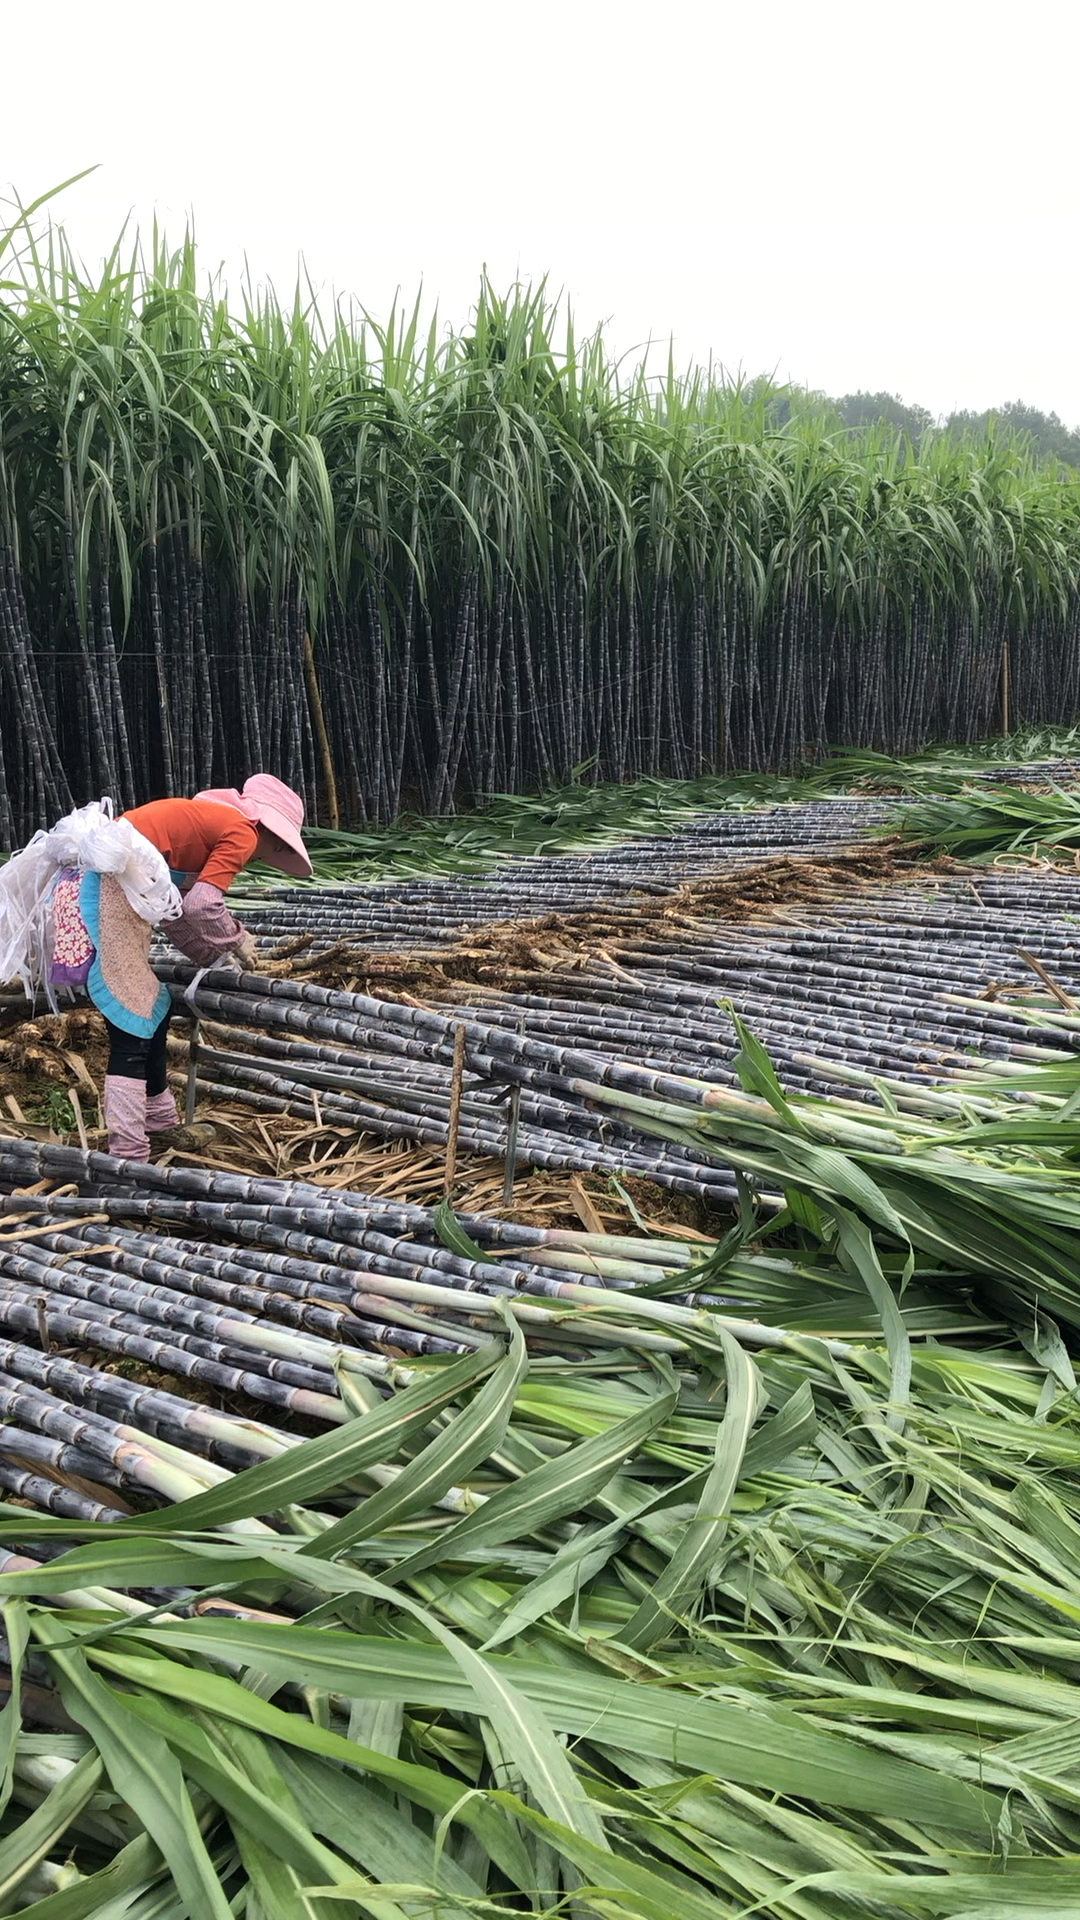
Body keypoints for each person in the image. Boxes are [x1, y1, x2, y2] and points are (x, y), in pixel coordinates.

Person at [1, 775, 312, 1162]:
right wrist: (236, 939)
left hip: (88, 884)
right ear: (276, 836)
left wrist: (212, 957)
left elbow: (174, 909)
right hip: (104, 891)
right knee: (132, 1018)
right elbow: (202, 904)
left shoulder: (210, 823)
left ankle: (160, 1122)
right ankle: (129, 1152)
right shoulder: (242, 833)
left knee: (155, 1009)